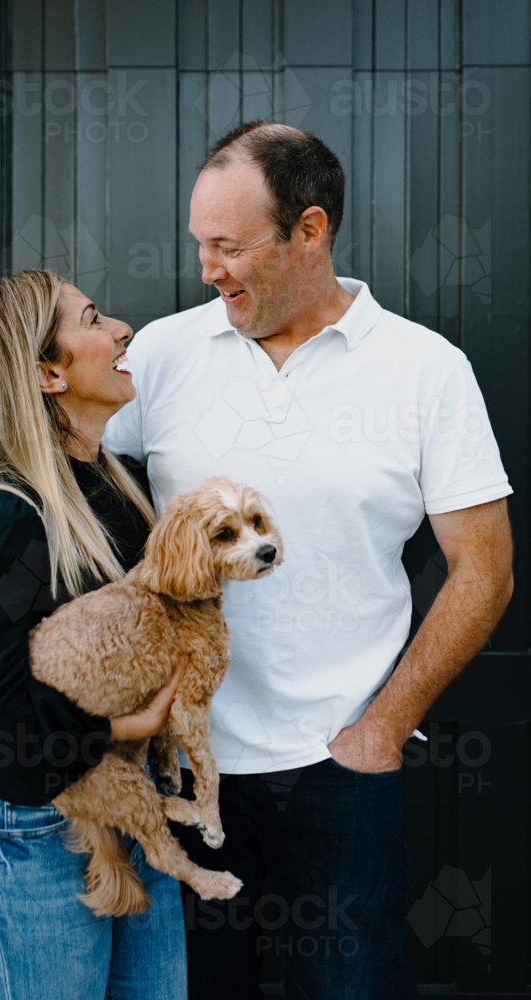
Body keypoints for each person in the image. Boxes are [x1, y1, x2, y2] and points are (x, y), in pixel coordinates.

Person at [103, 121, 514, 999]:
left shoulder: (424, 370)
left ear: (310, 229)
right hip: (182, 766)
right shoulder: (167, 353)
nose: (207, 269)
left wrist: (378, 729)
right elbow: (48, 445)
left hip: (340, 774)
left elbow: (483, 569)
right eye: (198, 245)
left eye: (229, 246)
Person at [0, 270, 188, 1000]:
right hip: (29, 836)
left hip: (128, 815)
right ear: (46, 372)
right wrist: (114, 724)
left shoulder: (120, 486)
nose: (121, 330)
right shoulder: (5, 520)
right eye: (94, 319)